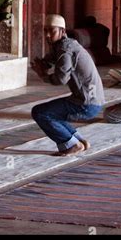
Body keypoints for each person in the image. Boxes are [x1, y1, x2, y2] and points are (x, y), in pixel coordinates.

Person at [31, 14, 105, 156]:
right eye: (45, 30)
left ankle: (72, 144)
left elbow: (61, 79)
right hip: (93, 101)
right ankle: (79, 141)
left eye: (51, 31)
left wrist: (43, 75)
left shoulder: (65, 49)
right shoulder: (63, 45)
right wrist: (43, 64)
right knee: (52, 113)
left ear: (62, 31)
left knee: (40, 112)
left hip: (86, 104)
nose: (47, 35)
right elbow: (49, 60)